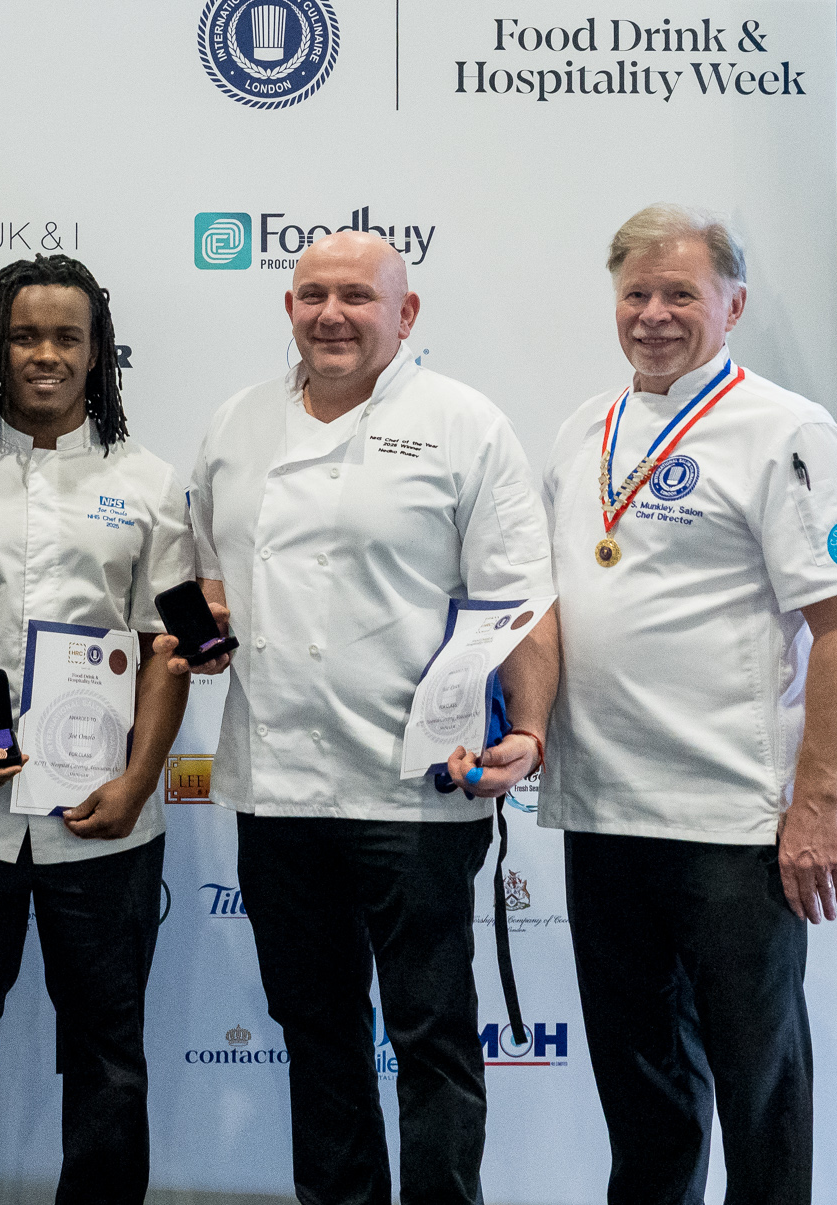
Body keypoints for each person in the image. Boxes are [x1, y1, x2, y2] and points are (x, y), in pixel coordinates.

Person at [183, 229, 556, 1205]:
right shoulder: (235, 425)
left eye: (356, 295)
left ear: (405, 312)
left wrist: (528, 730)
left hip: (416, 790)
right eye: (312, 294)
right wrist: (207, 632)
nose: (331, 314)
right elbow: (210, 578)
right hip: (276, 791)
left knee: (432, 1039)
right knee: (316, 1034)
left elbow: (520, 598)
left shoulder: (463, 424)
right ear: (288, 307)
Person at [540, 204, 837, 1205]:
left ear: (731, 305)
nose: (653, 314)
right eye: (636, 293)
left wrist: (815, 804)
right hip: (602, 814)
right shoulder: (583, 428)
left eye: (679, 294)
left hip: (732, 824)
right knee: (640, 1095)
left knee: (759, 1094)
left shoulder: (786, 431)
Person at [0, 256, 193, 1205]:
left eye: (68, 336)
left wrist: (139, 780)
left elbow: (165, 647)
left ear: (99, 353)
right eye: (25, 336)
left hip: (105, 820)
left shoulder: (149, 483)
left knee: (108, 1053)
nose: (46, 355)